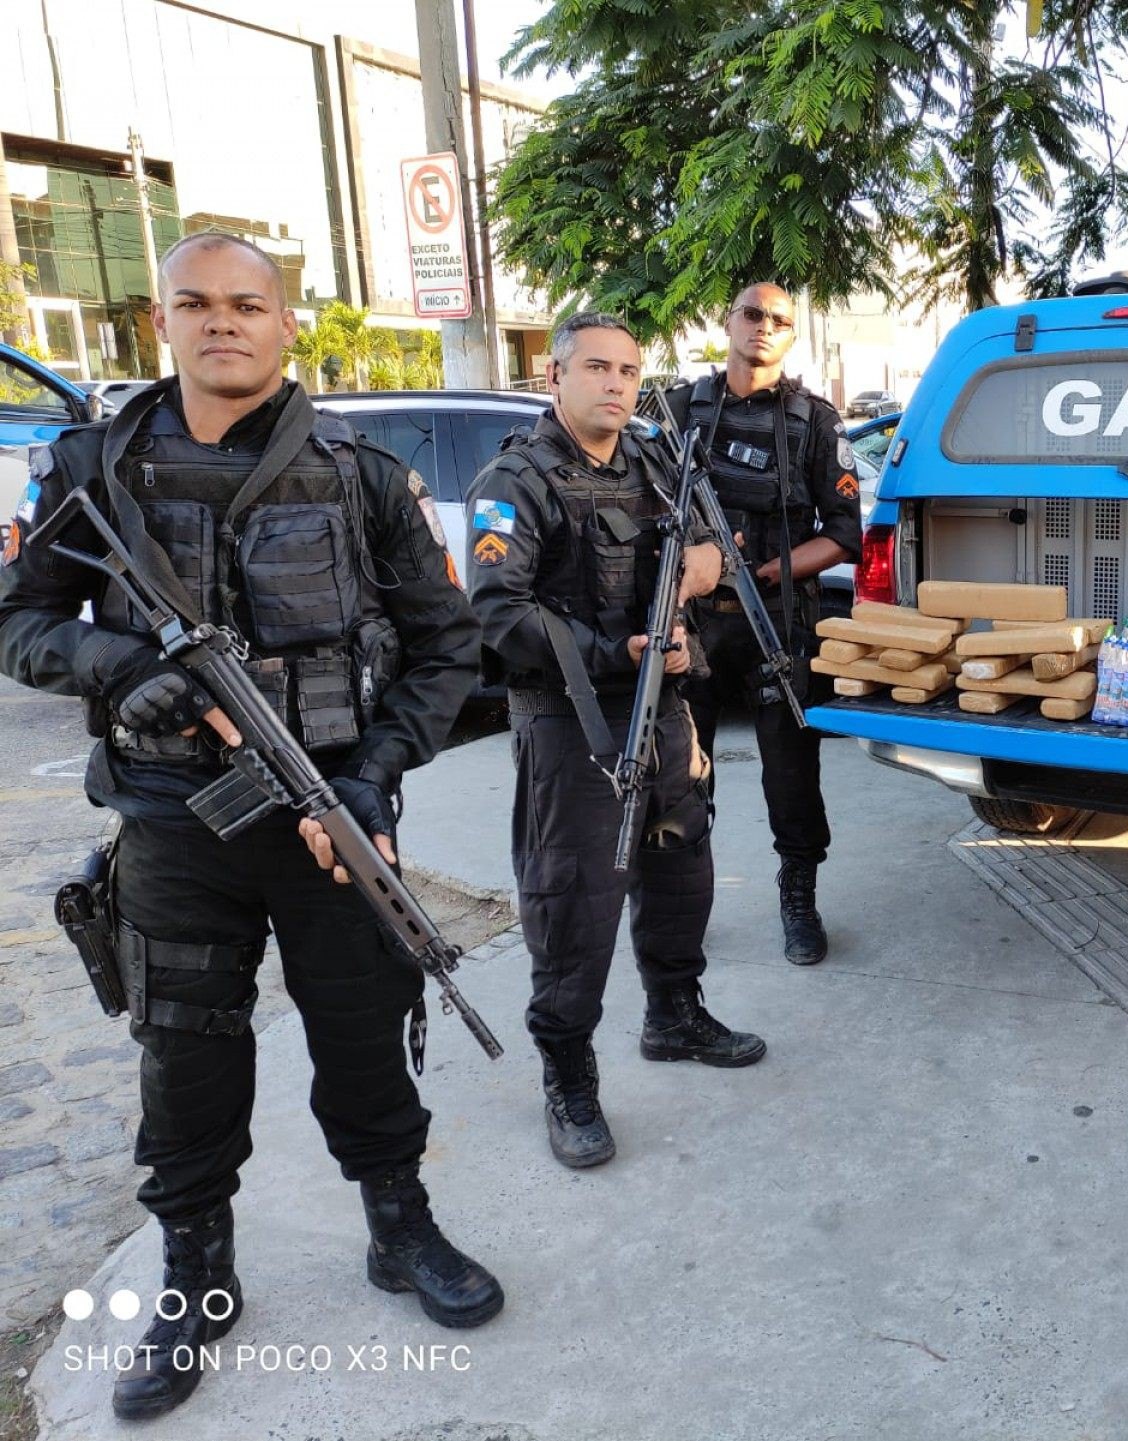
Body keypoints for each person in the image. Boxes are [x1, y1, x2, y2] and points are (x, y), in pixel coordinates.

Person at [0, 232, 502, 1421]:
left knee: (366, 1030)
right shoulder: (92, 468)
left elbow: (447, 645)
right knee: (185, 1049)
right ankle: (196, 1280)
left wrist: (377, 777)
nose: (222, 323)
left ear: (287, 326)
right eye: (195, 304)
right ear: (160, 321)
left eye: (247, 305)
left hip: (332, 810)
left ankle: (400, 1227)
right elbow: (19, 623)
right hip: (172, 823)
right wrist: (115, 663)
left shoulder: (364, 474)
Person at [466, 311, 760, 1172]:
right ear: (554, 377)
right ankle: (568, 1073)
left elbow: (711, 550)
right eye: (596, 368)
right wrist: (609, 651)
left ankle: (673, 1013)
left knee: (682, 869)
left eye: (628, 372)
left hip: (662, 705)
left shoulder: (653, 462)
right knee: (575, 901)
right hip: (571, 721)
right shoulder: (515, 478)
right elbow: (497, 610)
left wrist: (686, 591)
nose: (616, 385)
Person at [674, 283, 862, 966]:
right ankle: (682, 904)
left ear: (792, 336)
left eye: (780, 321)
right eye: (752, 314)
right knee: (682, 773)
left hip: (776, 621)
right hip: (692, 622)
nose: (764, 327)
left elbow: (844, 534)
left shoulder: (813, 421)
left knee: (789, 773)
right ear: (728, 320)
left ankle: (798, 898)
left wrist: (771, 572)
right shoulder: (681, 409)